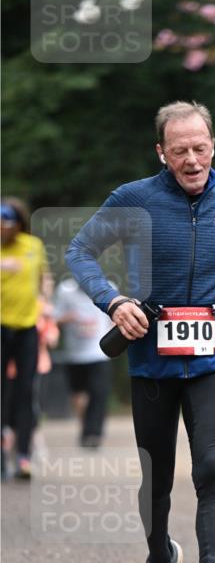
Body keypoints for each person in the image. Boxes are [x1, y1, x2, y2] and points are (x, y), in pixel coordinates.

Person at [66, 100, 215, 563]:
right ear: (161, 152)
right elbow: (80, 250)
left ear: (213, 147)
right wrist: (113, 302)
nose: (190, 158)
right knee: (156, 478)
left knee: (211, 468)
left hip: (211, 360)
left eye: (199, 148)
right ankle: (160, 560)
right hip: (151, 361)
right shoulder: (134, 199)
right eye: (178, 150)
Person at [1, 197, 53, 479]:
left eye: (6, 222)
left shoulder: (33, 247)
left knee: (25, 392)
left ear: (18, 223)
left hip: (27, 329)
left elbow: (44, 278)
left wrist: (45, 298)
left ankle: (23, 457)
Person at [53, 276, 115, 447]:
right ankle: (86, 427)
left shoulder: (108, 287)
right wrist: (69, 318)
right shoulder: (65, 289)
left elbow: (114, 318)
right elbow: (54, 318)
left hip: (99, 352)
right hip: (74, 354)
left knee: (99, 394)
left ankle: (94, 434)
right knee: (78, 394)